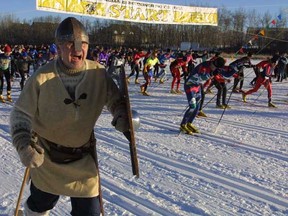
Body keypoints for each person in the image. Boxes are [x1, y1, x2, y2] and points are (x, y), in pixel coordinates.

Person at [9, 17, 130, 215]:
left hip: (83, 159)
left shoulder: (98, 74)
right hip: (47, 157)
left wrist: (121, 115)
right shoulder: (41, 76)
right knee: (40, 205)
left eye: (83, 43)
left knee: (89, 212)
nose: (77, 49)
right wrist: (24, 144)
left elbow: (116, 101)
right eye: (70, 44)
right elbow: (20, 114)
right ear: (58, 47)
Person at [180, 57, 226, 134]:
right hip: (190, 86)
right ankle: (183, 124)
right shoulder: (204, 66)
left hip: (197, 87)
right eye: (214, 67)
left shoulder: (213, 67)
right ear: (213, 63)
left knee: (197, 107)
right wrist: (211, 74)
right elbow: (199, 77)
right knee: (192, 106)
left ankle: (189, 123)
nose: (214, 69)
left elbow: (217, 75)